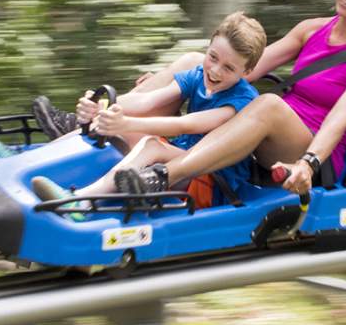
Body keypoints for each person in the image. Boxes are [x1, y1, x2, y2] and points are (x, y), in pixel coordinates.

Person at [36, 0, 346, 200]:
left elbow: (339, 120)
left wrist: (308, 163)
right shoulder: (313, 28)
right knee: (195, 60)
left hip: (309, 151)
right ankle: (95, 119)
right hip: (265, 126)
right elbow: (246, 65)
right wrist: (179, 73)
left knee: (268, 103)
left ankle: (166, 175)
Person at [32, 11, 267, 214]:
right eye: (212, 57)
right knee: (111, 126)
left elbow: (187, 125)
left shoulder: (243, 101)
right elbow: (148, 100)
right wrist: (100, 107)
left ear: (246, 72)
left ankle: (79, 202)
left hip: (209, 179)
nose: (214, 70)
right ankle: (32, 161)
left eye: (228, 68)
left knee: (150, 143)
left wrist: (126, 123)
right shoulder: (197, 75)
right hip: (180, 157)